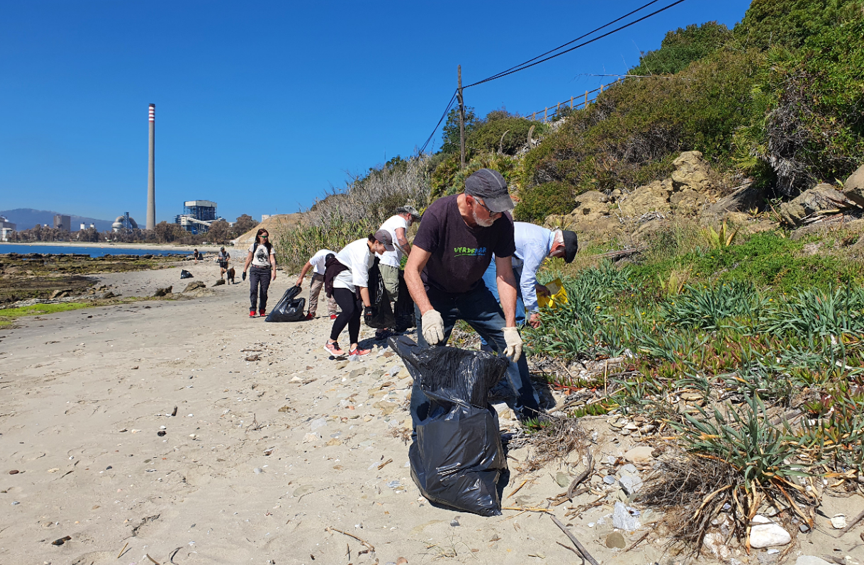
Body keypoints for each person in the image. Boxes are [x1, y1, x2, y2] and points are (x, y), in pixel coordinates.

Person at [404, 168, 542, 425]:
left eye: (501, 209)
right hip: (435, 295)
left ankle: (530, 412)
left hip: (473, 293)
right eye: (491, 210)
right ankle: (421, 430)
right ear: (470, 200)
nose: (497, 215)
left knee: (511, 345)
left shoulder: (501, 222)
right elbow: (412, 269)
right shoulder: (438, 214)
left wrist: (511, 326)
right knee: (428, 361)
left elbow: (505, 276)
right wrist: (427, 311)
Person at [480, 223, 578, 338]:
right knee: (495, 299)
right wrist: (534, 312)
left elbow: (522, 265)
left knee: (516, 292)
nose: (558, 257)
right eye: (561, 255)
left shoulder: (542, 237)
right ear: (559, 246)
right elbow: (526, 281)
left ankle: (519, 329)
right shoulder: (539, 246)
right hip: (489, 255)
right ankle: (489, 342)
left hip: (506, 259)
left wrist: (536, 285)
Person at [325, 231, 394, 357]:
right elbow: (363, 285)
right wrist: (368, 308)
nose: (386, 250)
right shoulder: (362, 253)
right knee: (348, 309)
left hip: (352, 281)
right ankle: (331, 342)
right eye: (385, 247)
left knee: (356, 310)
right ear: (377, 242)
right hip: (340, 280)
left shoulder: (371, 250)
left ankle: (354, 347)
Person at [374, 205, 421, 339]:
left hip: (384, 261)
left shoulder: (391, 220)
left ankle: (383, 326)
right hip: (388, 261)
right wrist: (412, 256)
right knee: (389, 294)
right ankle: (382, 329)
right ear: (408, 215)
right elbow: (401, 238)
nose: (411, 224)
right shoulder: (399, 220)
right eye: (412, 221)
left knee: (388, 293)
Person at [295, 249, 339, 320]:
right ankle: (311, 312)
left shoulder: (338, 257)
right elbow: (307, 265)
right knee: (314, 291)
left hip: (331, 274)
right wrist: (300, 278)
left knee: (333, 292)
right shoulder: (319, 256)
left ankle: (332, 313)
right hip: (319, 273)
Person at [242, 229, 277, 318]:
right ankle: (253, 309)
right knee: (253, 289)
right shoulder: (253, 246)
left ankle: (262, 309)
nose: (265, 238)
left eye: (266, 237)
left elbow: (272, 260)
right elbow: (249, 258)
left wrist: (274, 271)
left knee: (263, 291)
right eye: (263, 236)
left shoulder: (269, 247)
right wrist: (244, 270)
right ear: (259, 236)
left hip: (266, 271)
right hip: (255, 270)